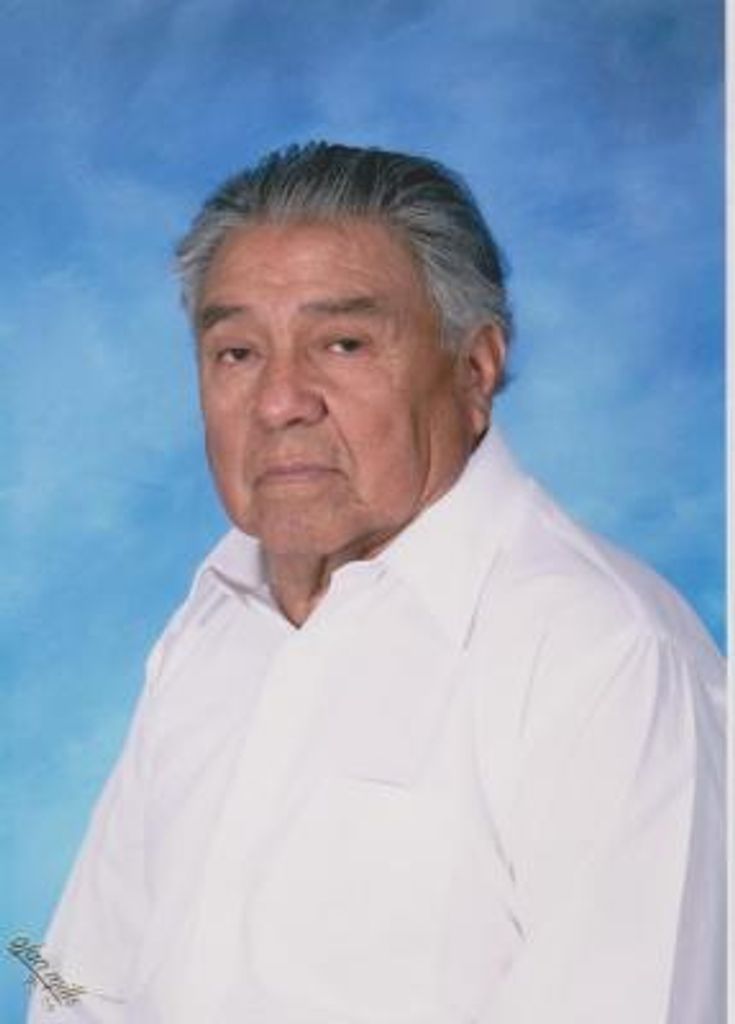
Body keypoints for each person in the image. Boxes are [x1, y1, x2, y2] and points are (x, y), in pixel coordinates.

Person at [30, 142, 724, 1024]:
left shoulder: (604, 657)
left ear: (474, 368)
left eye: (343, 343)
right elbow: (74, 979)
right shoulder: (209, 629)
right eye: (236, 352)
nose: (279, 401)